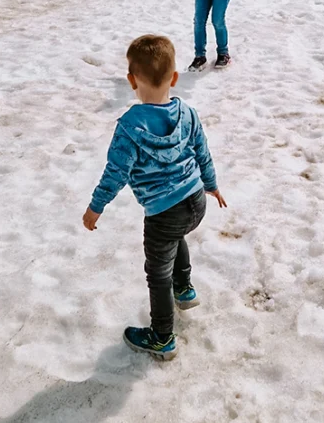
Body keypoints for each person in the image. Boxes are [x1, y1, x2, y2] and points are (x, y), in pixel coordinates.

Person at [83, 35, 227, 360]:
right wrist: (211, 184)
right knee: (176, 237)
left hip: (164, 212)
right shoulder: (187, 113)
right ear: (174, 78)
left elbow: (114, 173)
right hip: (195, 200)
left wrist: (95, 207)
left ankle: (163, 337)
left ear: (131, 80)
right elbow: (202, 151)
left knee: (157, 272)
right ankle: (185, 288)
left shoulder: (129, 128)